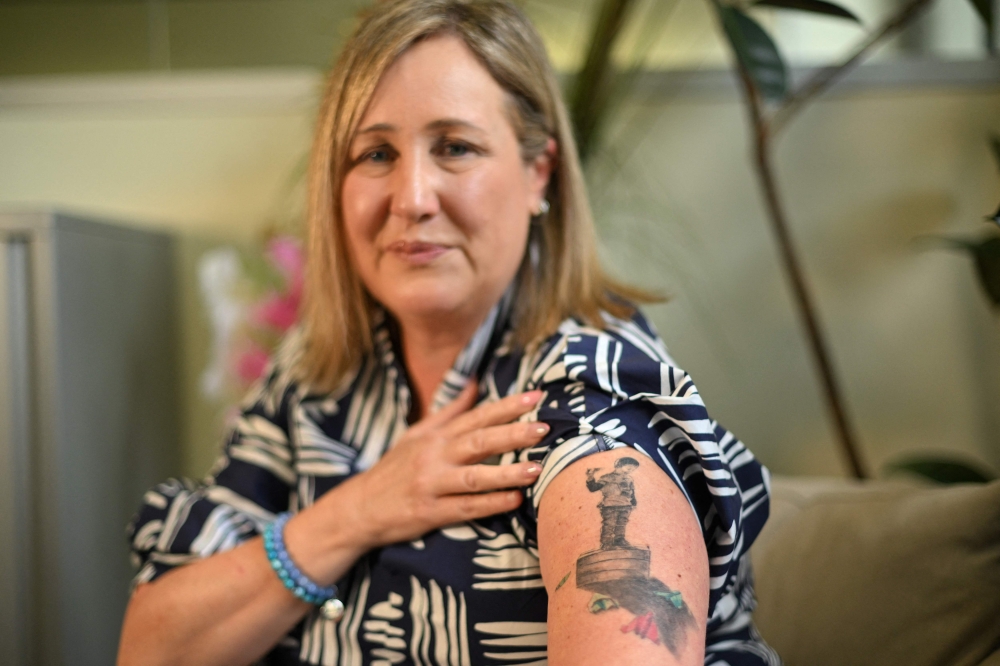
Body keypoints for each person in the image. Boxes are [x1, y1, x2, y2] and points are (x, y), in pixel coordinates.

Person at [117, 1, 780, 664]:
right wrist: (356, 512)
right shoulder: (313, 376)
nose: (412, 197)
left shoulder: (588, 394)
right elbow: (152, 650)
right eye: (376, 153)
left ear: (538, 174)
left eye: (456, 147)